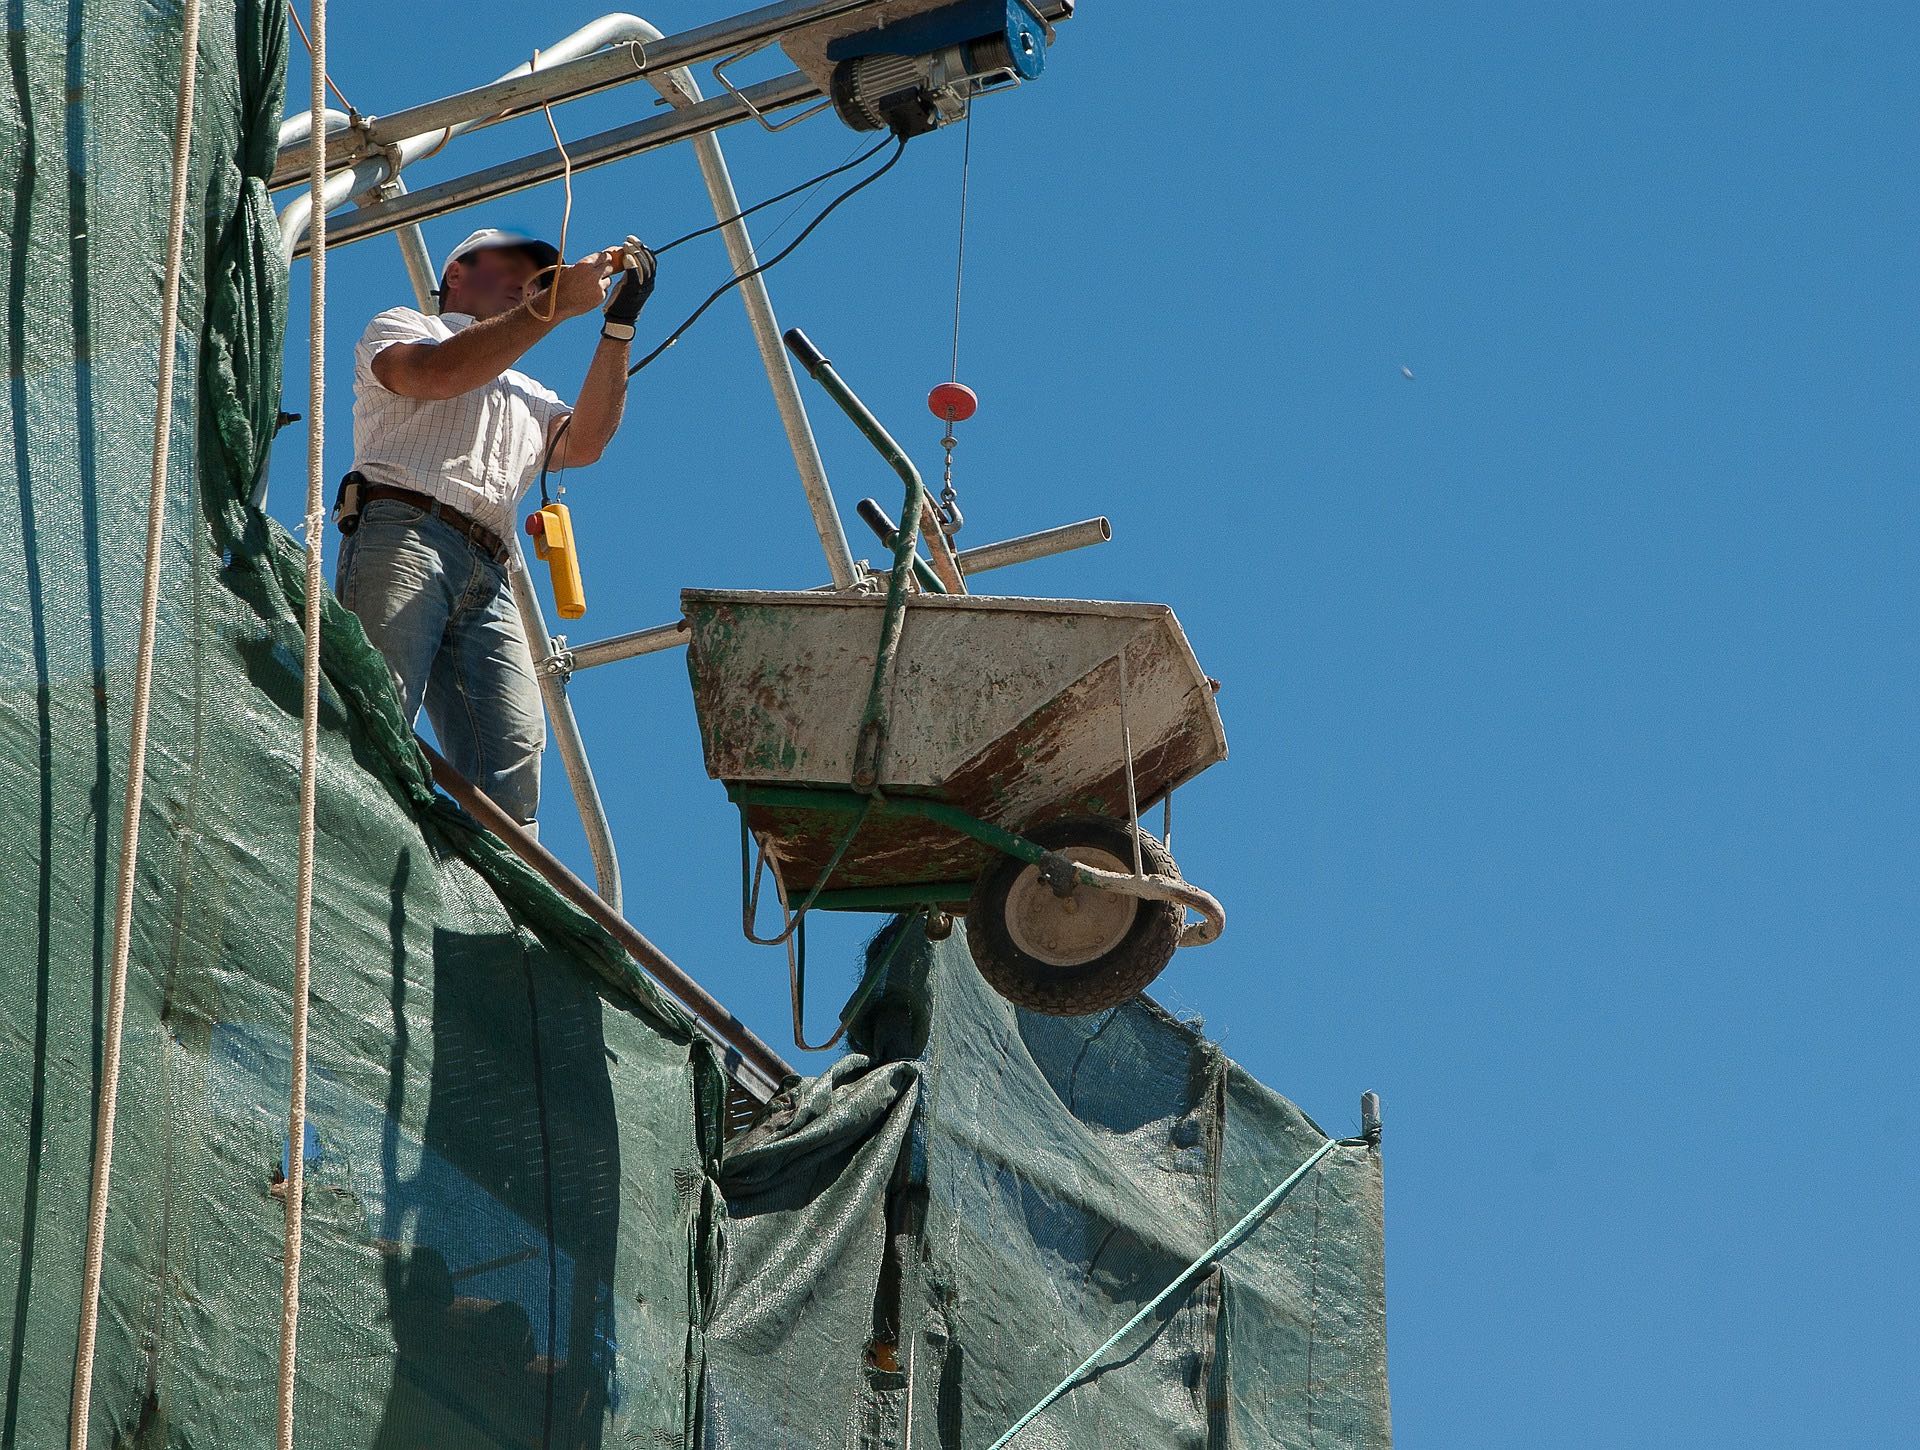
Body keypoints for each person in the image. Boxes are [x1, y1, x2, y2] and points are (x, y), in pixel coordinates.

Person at [336, 226, 655, 832]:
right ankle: (350, 848)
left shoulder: (525, 391)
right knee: (378, 710)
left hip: (489, 571)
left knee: (512, 762)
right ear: (456, 273)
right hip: (405, 535)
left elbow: (585, 441)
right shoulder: (405, 326)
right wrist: (554, 304)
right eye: (510, 266)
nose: (526, 282)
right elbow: (436, 374)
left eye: (536, 275)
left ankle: (495, 913)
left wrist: (618, 326)